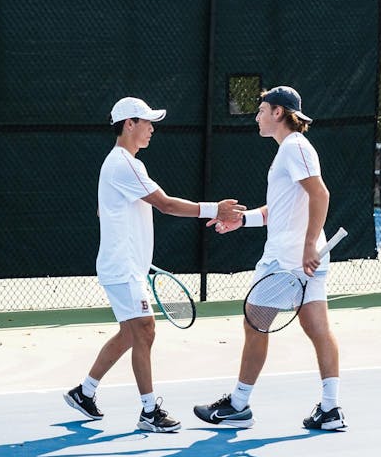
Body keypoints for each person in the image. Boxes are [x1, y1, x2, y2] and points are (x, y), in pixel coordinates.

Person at [64, 96, 245, 433]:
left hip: (126, 265)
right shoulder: (123, 163)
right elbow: (165, 206)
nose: (151, 129)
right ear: (128, 124)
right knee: (145, 330)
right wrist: (213, 209)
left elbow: (105, 211)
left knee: (129, 334)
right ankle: (149, 412)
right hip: (122, 268)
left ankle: (84, 392)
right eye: (146, 122)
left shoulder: (120, 163)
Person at [193, 85, 345, 431]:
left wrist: (308, 245)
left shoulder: (294, 147)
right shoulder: (289, 151)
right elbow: (279, 209)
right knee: (316, 328)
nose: (257, 116)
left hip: (289, 259)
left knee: (254, 323)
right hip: (302, 256)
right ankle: (331, 409)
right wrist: (240, 220)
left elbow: (320, 194)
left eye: (261, 109)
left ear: (278, 112)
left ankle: (238, 405)